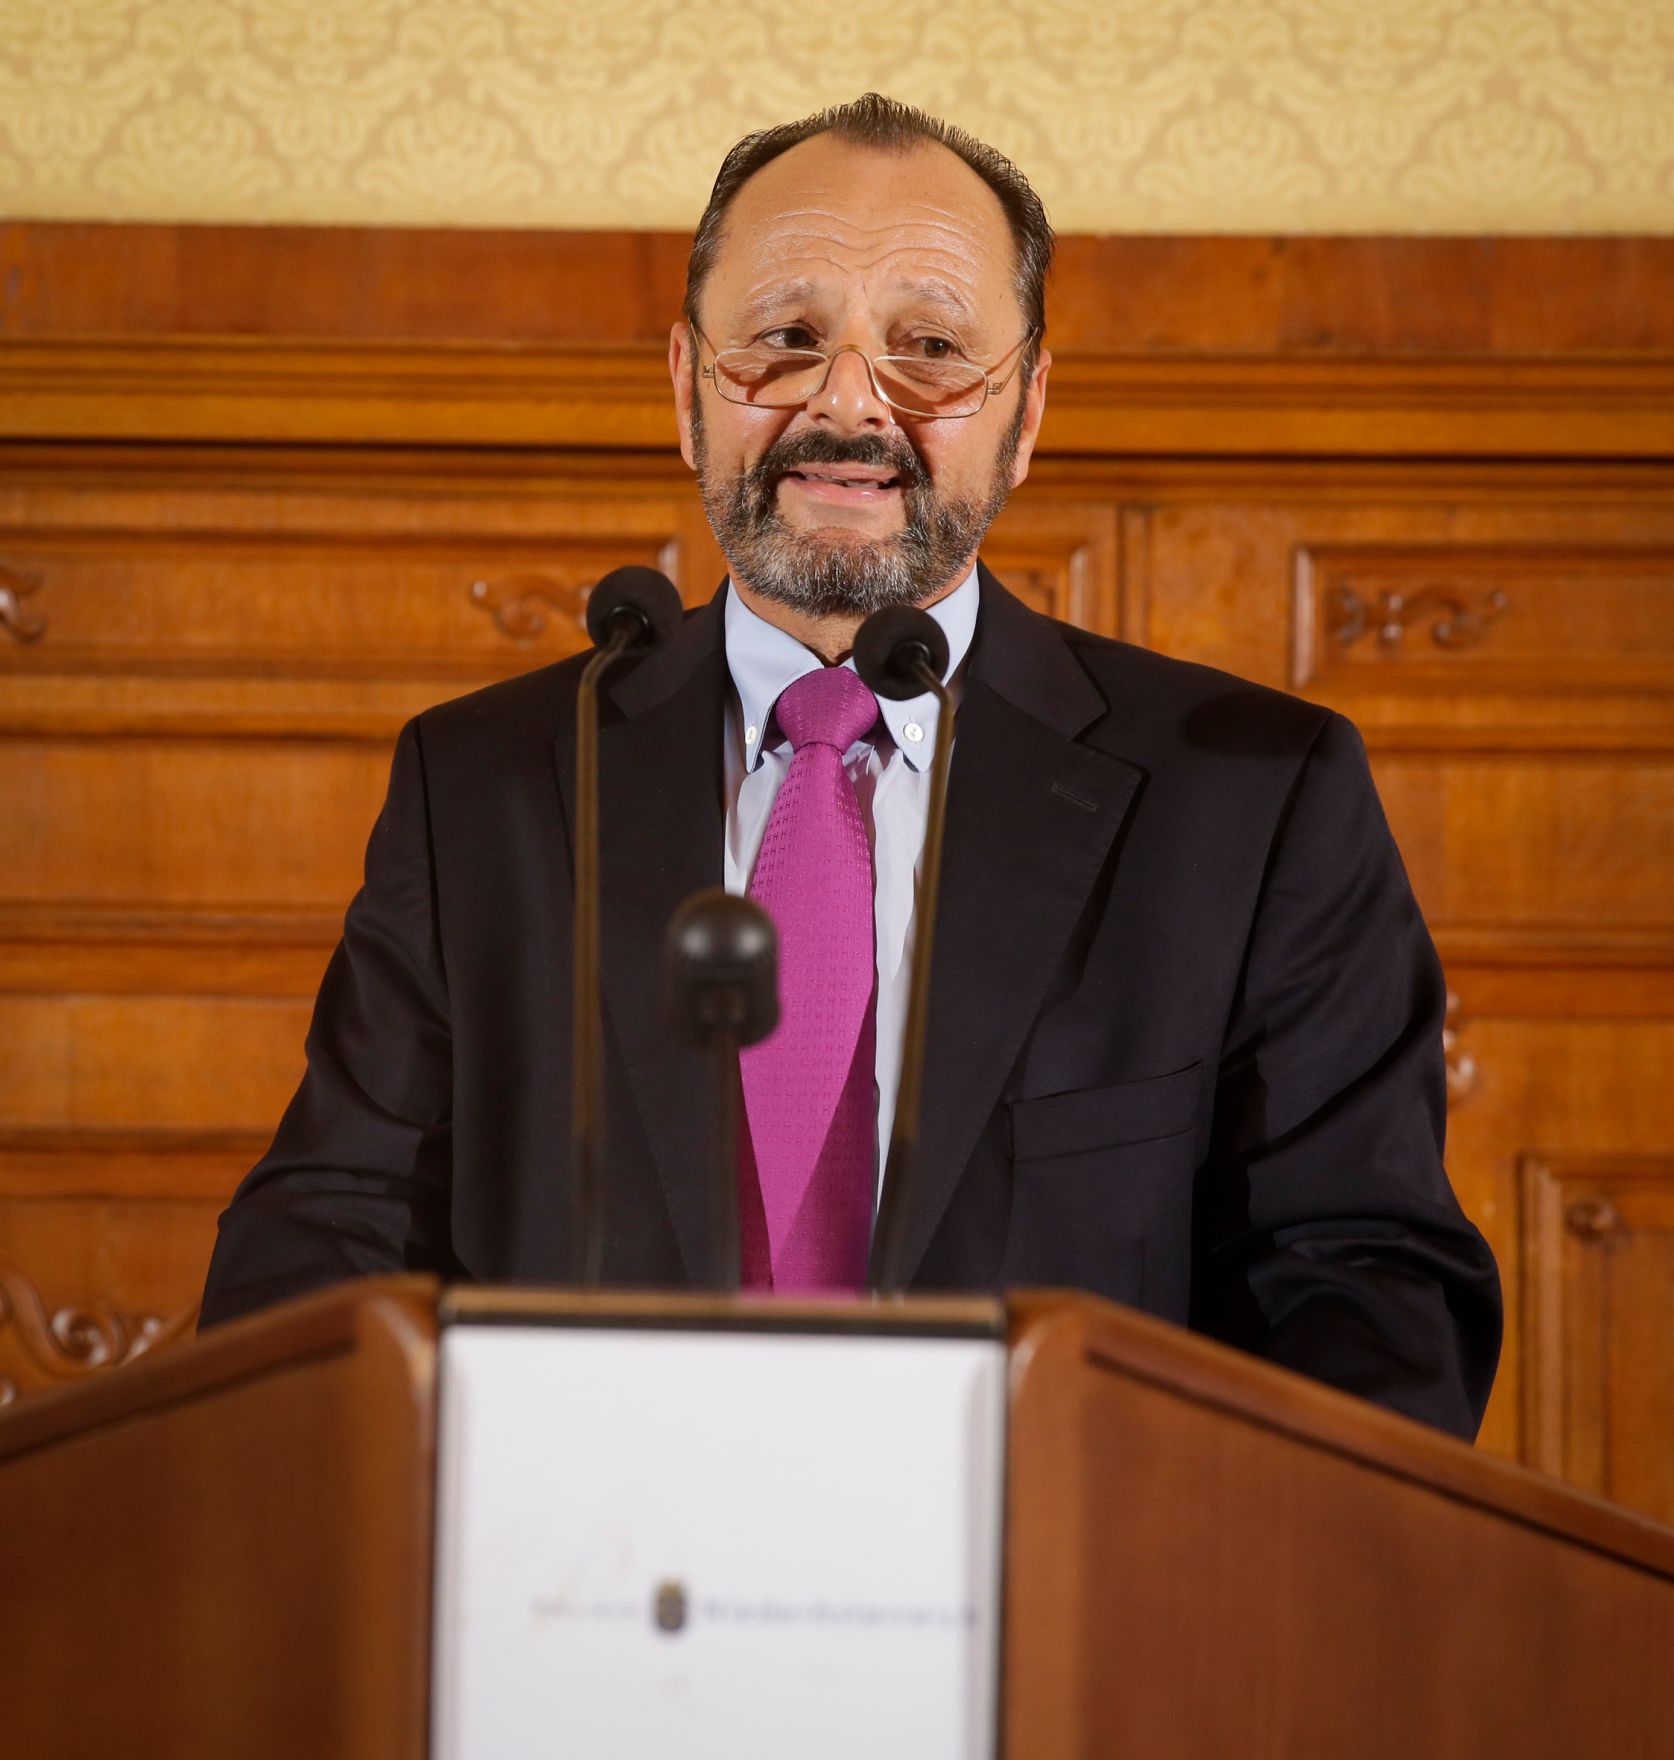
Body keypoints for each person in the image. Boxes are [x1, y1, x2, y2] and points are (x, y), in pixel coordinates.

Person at [200, 94, 1501, 1440]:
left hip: (1064, 1612)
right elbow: (330, 1239)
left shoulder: (1252, 796)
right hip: (583, 1600)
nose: (844, 402)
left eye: (930, 348)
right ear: (685, 386)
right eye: (783, 339)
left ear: (1027, 408)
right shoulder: (490, 781)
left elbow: (1365, 1286)